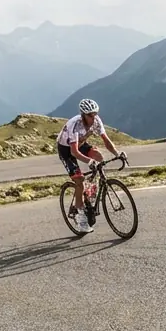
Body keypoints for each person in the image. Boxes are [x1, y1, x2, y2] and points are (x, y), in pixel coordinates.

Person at [57, 98, 126, 233]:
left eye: (95, 114)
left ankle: (90, 191)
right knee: (79, 180)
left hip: (81, 144)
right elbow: (74, 152)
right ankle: (80, 216)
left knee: (99, 157)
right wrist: (89, 162)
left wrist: (117, 154)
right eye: (90, 115)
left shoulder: (96, 121)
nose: (93, 117)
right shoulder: (75, 125)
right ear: (83, 115)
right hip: (66, 149)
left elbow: (106, 141)